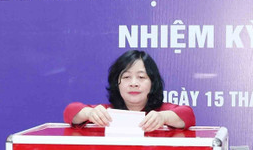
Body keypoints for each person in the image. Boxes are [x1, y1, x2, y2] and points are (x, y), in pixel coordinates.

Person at [63, 50, 195, 131]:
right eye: (126, 77)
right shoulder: (108, 112)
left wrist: (163, 117)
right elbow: (70, 111)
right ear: (116, 83)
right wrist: (89, 113)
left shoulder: (162, 111)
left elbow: (188, 114)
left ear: (153, 83)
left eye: (141, 77)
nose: (133, 84)